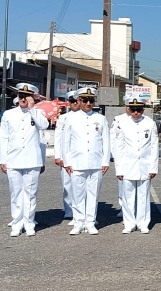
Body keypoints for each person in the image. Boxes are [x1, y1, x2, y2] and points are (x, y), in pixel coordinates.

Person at [0, 83, 48, 237]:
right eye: (20, 96)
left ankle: (29, 222)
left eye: (26, 97)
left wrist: (32, 108)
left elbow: (44, 126)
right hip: (14, 159)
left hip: (32, 160)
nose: (22, 99)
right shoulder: (9, 114)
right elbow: (4, 138)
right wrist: (3, 160)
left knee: (30, 193)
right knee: (15, 193)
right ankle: (16, 222)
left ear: (32, 98)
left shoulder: (37, 113)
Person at [62, 87, 110, 235]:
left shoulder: (100, 118)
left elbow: (106, 142)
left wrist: (105, 162)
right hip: (77, 162)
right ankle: (78, 222)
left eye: (91, 100)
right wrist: (67, 162)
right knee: (77, 194)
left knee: (93, 194)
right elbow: (66, 142)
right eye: (85, 100)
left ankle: (90, 222)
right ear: (79, 101)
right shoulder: (70, 118)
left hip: (95, 163)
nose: (88, 103)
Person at [114, 97, 158, 234]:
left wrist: (153, 168)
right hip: (128, 165)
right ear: (129, 110)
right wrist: (119, 169)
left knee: (143, 196)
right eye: (133, 110)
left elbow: (154, 147)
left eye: (138, 109)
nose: (136, 113)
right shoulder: (122, 123)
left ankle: (143, 223)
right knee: (128, 196)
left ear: (143, 110)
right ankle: (129, 223)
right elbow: (119, 148)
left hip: (145, 165)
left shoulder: (150, 123)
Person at [54, 90, 79, 223]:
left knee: (81, 185)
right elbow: (58, 137)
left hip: (80, 156)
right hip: (66, 155)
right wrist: (58, 155)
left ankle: (80, 210)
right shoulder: (63, 118)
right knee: (67, 184)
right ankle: (69, 210)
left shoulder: (85, 117)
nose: (75, 103)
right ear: (68, 103)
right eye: (72, 101)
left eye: (76, 101)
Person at [110, 94, 132, 219]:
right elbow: (112, 136)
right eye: (129, 107)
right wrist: (112, 154)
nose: (131, 109)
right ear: (125, 107)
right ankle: (123, 208)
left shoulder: (142, 119)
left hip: (134, 157)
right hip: (121, 156)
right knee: (122, 184)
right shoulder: (119, 119)